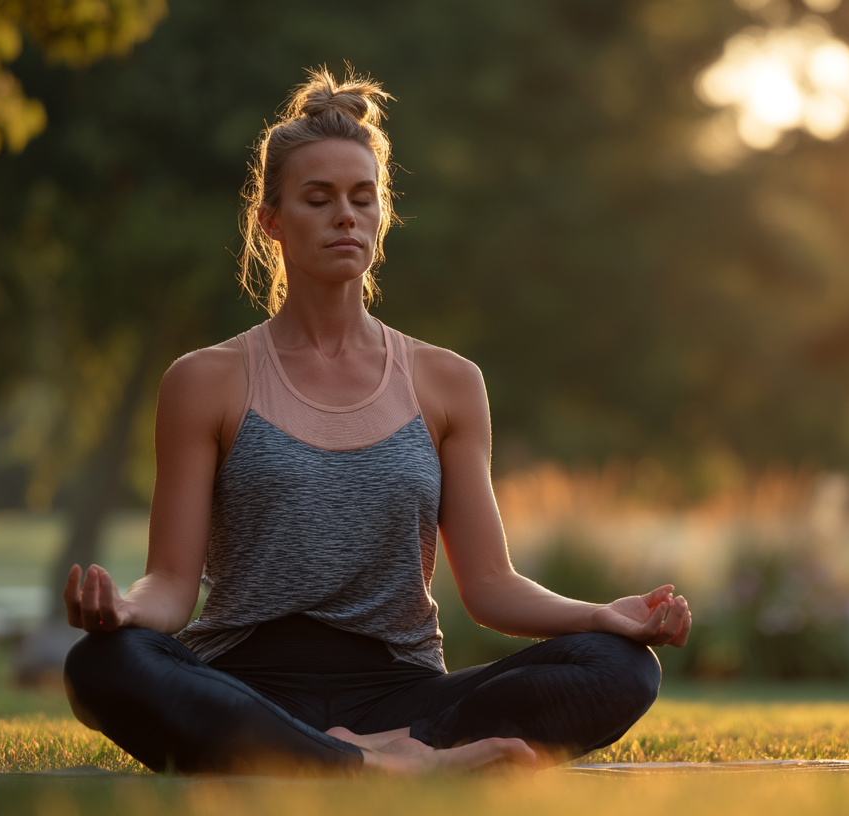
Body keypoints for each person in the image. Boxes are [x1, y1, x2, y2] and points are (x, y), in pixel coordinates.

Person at [60, 67, 691, 776]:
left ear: (383, 214)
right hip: (244, 686)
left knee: (620, 668)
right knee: (104, 664)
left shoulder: (447, 382)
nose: (345, 216)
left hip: (407, 695)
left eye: (364, 198)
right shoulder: (205, 380)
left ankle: (344, 755)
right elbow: (172, 588)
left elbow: (489, 586)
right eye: (317, 198)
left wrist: (604, 616)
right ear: (270, 221)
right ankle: (375, 763)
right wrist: (124, 609)